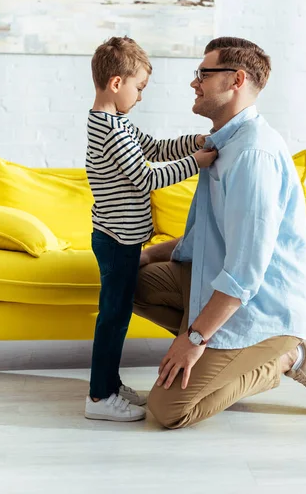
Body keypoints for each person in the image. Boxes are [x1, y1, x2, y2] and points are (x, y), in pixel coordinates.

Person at [134, 36, 306, 429]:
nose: (195, 83)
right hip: (218, 282)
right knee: (125, 279)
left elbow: (244, 272)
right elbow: (207, 239)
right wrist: (143, 256)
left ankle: (288, 357)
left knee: (169, 411)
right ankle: (217, 349)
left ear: (236, 80)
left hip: (262, 306)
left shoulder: (251, 155)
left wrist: (192, 340)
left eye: (203, 74)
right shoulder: (225, 144)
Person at [84, 36, 217, 422]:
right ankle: (98, 398)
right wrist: (197, 163)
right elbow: (145, 178)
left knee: (117, 314)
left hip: (120, 239)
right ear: (116, 83)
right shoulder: (109, 130)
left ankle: (108, 383)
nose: (140, 97)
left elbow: (155, 149)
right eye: (139, 88)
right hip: (116, 241)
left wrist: (193, 141)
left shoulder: (117, 124)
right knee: (112, 317)